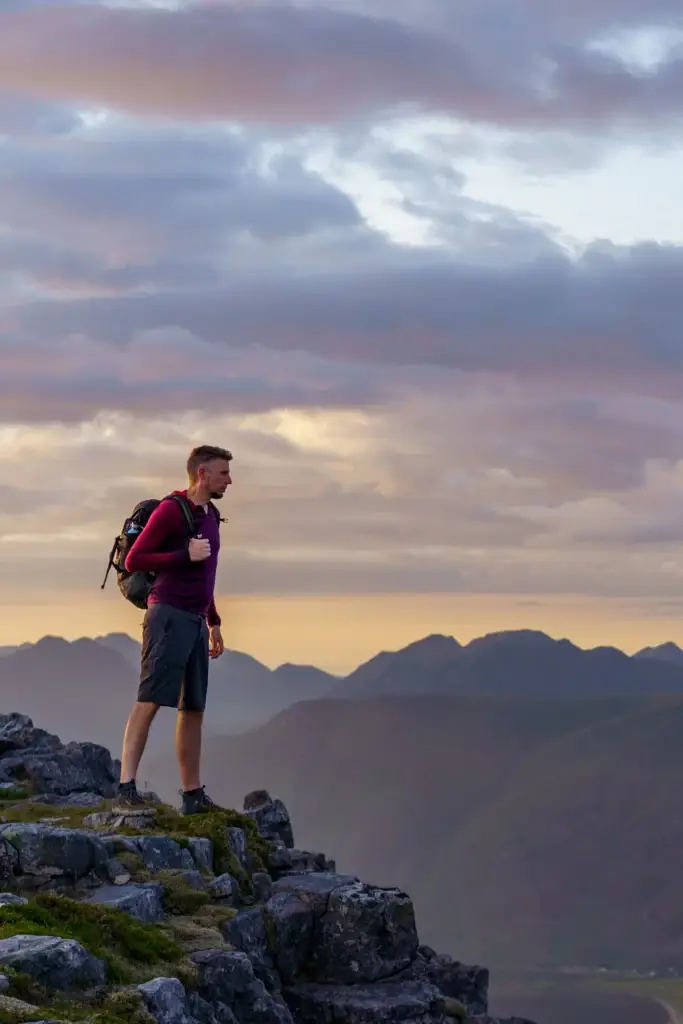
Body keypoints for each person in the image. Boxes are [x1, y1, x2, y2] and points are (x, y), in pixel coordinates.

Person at [116, 444, 232, 814]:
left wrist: (213, 620)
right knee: (150, 700)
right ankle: (126, 787)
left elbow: (206, 574)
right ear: (202, 474)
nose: (229, 480)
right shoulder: (171, 510)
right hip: (167, 614)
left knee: (193, 707)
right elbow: (135, 558)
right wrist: (183, 554)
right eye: (223, 473)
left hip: (196, 619)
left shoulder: (211, 515)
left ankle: (192, 795)